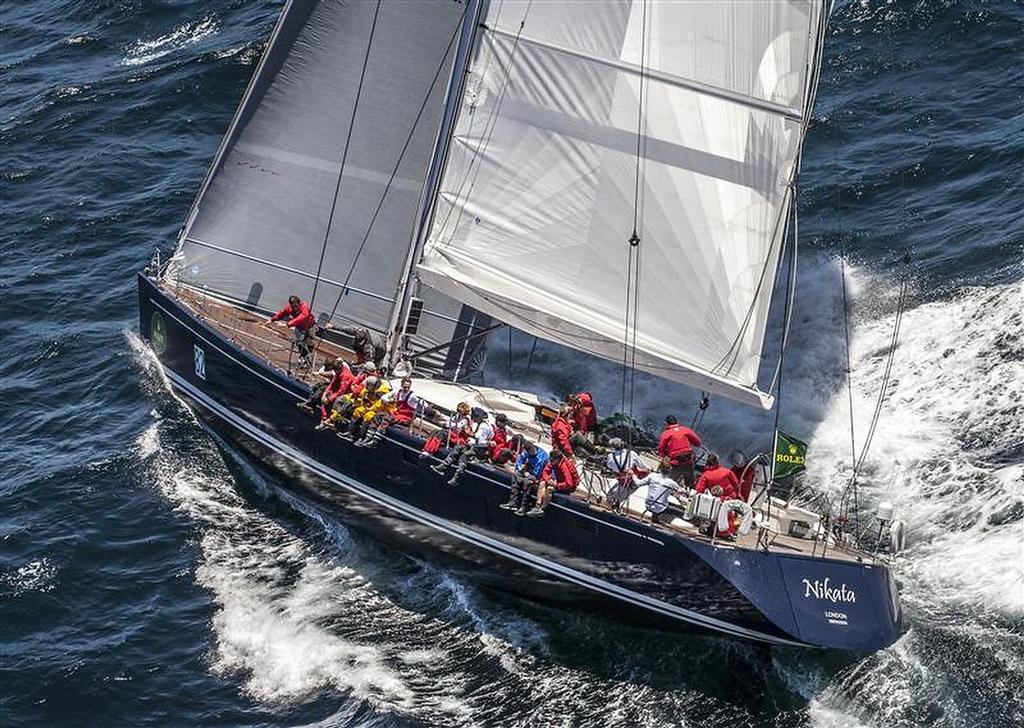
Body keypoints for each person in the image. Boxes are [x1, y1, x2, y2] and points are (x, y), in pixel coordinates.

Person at [433, 407, 493, 486]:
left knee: (464, 456)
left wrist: (468, 433)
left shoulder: (483, 426)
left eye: (474, 417)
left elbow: (480, 440)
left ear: (478, 417)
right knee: (458, 448)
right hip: (475, 446)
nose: (473, 419)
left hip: (479, 450)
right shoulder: (484, 425)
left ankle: (456, 478)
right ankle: (443, 466)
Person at [357, 377, 421, 447]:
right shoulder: (398, 392)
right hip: (397, 414)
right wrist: (387, 400)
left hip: (405, 418)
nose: (406, 389)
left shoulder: (412, 396)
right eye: (405, 387)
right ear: (401, 385)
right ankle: (368, 436)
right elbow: (384, 396)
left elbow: (422, 403)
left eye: (408, 387)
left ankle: (375, 440)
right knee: (378, 415)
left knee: (387, 418)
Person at [499, 441, 549, 515]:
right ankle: (513, 502)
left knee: (527, 482)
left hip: (536, 476)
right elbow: (519, 463)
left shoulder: (542, 457)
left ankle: (523, 507)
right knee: (516, 475)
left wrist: (527, 474)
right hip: (526, 472)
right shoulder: (525, 453)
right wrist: (521, 468)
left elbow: (538, 472)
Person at [526, 449, 580, 517]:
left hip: (568, 487)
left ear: (557, 459)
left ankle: (542, 509)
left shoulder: (564, 467)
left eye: (552, 460)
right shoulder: (553, 462)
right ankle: (538, 505)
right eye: (550, 460)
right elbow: (545, 472)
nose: (550, 462)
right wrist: (548, 479)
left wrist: (556, 485)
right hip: (559, 480)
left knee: (550, 489)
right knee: (542, 482)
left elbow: (569, 483)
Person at [267, 295, 317, 368]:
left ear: (299, 303)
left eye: (296, 306)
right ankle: (303, 359)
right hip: (299, 328)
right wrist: (272, 319)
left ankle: (308, 358)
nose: (294, 308)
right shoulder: (289, 308)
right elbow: (282, 313)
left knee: (310, 345)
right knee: (300, 344)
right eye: (293, 306)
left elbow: (303, 317)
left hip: (310, 327)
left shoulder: (304, 307)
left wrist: (288, 324)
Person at [657, 415, 702, 488]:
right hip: (688, 460)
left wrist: (664, 458)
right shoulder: (685, 430)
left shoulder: (666, 434)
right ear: (677, 422)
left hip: (676, 462)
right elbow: (698, 442)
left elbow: (661, 450)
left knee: (668, 482)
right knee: (690, 483)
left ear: (667, 424)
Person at [604, 437, 645, 508]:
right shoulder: (632, 453)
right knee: (638, 481)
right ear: (622, 445)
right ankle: (619, 501)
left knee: (622, 482)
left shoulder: (610, 456)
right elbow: (641, 466)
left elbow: (609, 466)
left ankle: (612, 499)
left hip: (619, 477)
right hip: (630, 478)